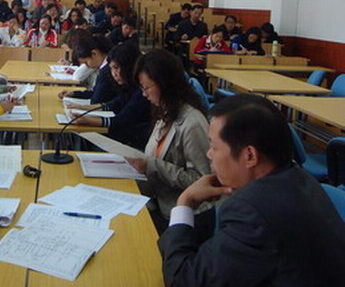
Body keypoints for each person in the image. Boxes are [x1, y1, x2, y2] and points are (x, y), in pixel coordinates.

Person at [158, 94, 345, 287]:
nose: (209, 154)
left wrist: (185, 203)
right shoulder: (298, 176)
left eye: (214, 146)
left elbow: (183, 281)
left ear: (250, 156)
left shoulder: (252, 213)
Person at [126, 49, 211, 235]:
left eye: (147, 88)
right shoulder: (165, 113)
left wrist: (151, 165)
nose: (144, 94)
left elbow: (202, 181)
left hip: (187, 218)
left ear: (165, 84)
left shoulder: (192, 123)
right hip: (161, 204)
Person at [70, 43, 152, 149]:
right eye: (112, 69)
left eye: (116, 68)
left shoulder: (142, 91)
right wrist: (83, 108)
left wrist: (88, 120)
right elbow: (115, 103)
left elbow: (122, 121)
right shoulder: (129, 87)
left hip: (135, 143)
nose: (114, 74)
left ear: (129, 66)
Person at [59, 35, 117, 104]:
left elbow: (96, 100)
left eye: (86, 62)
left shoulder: (107, 71)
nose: (87, 66)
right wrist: (73, 93)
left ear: (94, 54)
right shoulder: (105, 67)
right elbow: (95, 93)